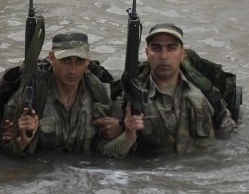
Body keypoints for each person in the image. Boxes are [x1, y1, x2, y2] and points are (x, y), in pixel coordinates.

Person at [99, 23, 237, 158]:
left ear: (182, 53)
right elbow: (104, 152)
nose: (164, 56)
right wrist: (128, 135)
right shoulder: (131, 98)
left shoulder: (204, 91)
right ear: (147, 53)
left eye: (171, 48)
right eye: (156, 48)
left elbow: (229, 137)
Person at [2, 32, 117, 156]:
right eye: (66, 61)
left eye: (79, 61)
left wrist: (125, 133)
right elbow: (4, 154)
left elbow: (107, 151)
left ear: (87, 61)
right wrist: (22, 142)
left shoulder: (101, 95)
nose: (73, 70)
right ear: (51, 58)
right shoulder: (29, 96)